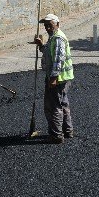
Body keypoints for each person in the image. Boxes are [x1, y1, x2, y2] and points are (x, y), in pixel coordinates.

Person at [34, 14, 74, 144]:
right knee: (63, 103)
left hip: (58, 79)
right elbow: (50, 53)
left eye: (50, 25)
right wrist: (41, 45)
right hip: (63, 78)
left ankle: (56, 135)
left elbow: (58, 59)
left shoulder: (58, 38)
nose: (47, 28)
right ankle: (67, 130)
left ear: (57, 24)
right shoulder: (54, 37)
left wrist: (54, 77)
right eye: (45, 25)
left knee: (54, 106)